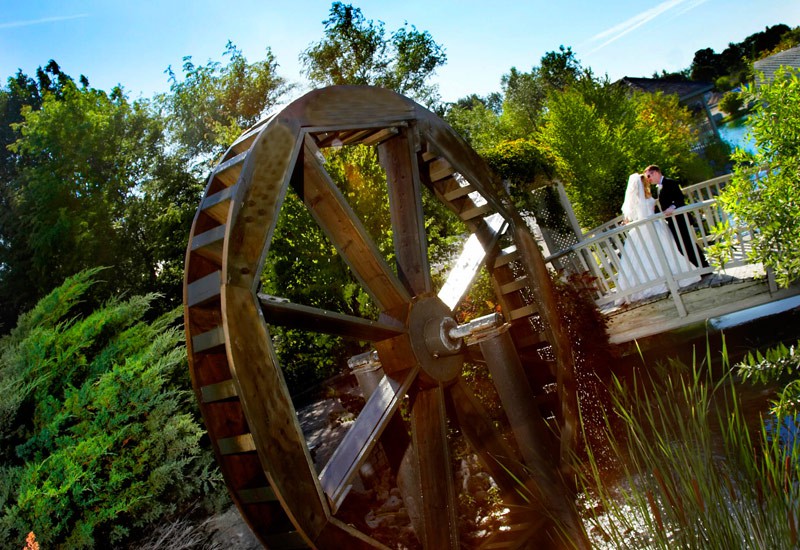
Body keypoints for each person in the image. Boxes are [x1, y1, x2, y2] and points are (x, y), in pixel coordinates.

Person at [615, 173, 701, 304]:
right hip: (646, 228)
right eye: (646, 181)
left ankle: (670, 277)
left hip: (655, 225)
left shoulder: (648, 195)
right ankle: (655, 282)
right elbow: (631, 213)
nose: (649, 181)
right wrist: (627, 220)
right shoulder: (637, 198)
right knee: (649, 254)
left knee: (665, 251)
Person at [644, 164, 709, 269]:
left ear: (655, 173)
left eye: (648, 176)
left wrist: (673, 207)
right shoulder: (659, 188)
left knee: (687, 244)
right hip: (672, 221)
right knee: (682, 246)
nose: (648, 180)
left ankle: (704, 267)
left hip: (680, 219)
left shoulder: (670, 182)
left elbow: (679, 199)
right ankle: (698, 267)